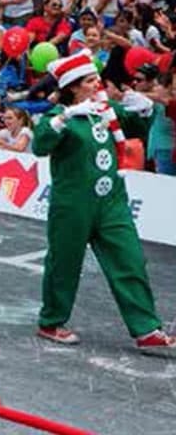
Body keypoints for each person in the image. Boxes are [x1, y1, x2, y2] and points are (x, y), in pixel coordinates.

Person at [32, 52, 175, 351]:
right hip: (73, 204)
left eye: (95, 78)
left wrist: (145, 110)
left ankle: (147, 329)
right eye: (89, 80)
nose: (97, 83)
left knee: (130, 260)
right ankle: (51, 321)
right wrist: (65, 117)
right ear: (73, 87)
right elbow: (40, 145)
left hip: (111, 202)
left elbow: (136, 128)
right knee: (63, 264)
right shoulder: (58, 116)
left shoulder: (105, 110)